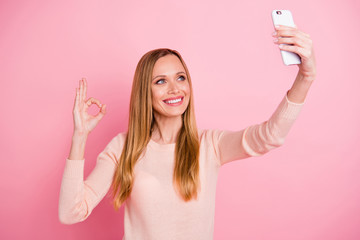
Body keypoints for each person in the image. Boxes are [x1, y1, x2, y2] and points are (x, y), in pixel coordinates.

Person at [58, 25, 316, 240]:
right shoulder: (122, 148)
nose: (174, 88)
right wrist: (80, 136)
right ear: (144, 93)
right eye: (161, 81)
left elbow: (268, 137)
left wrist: (305, 77)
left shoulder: (209, 145)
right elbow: (71, 213)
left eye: (180, 78)